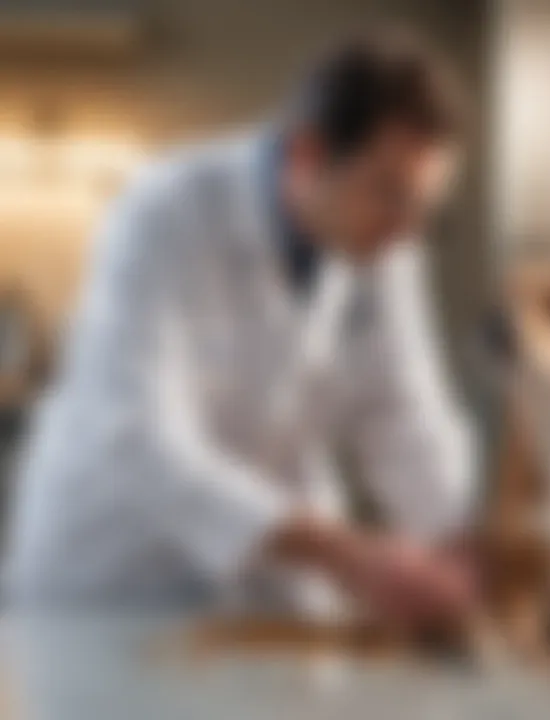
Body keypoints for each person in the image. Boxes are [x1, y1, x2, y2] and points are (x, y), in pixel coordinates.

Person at [6, 29, 480, 631]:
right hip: (115, 573)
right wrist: (351, 556)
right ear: (309, 154)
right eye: (389, 194)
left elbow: (405, 413)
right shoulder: (161, 210)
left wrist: (457, 546)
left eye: (423, 207)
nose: (405, 230)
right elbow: (139, 439)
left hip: (273, 583)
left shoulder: (387, 245)